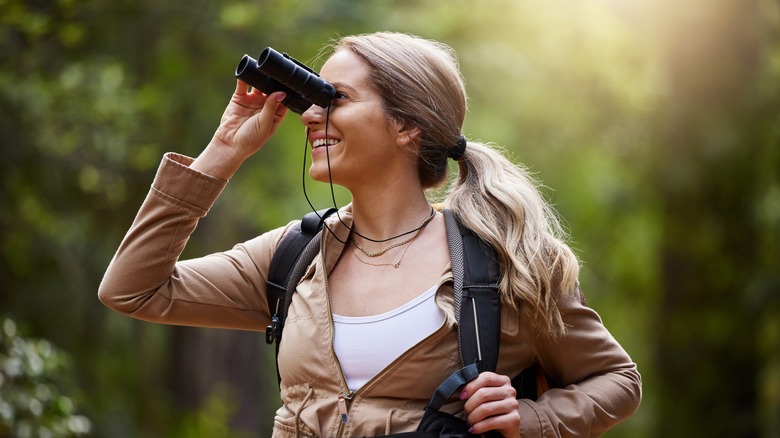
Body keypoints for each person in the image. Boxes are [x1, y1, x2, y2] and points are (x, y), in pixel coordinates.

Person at [99, 31, 641, 437]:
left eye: (334, 98)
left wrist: (532, 419)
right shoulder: (294, 256)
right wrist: (223, 150)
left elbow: (617, 379)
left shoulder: (508, 263)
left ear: (408, 127)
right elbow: (132, 290)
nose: (309, 115)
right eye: (311, 98)